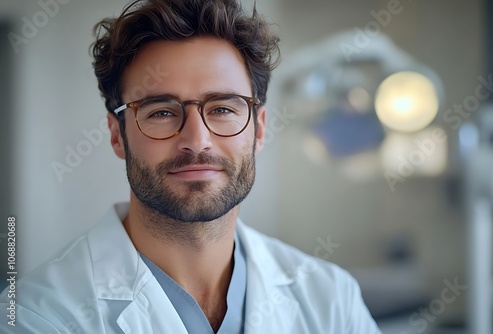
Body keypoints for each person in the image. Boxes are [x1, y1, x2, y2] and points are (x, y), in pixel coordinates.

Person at [0, 0, 381, 333]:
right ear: (118, 135)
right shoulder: (37, 317)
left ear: (259, 130)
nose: (196, 140)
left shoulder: (332, 300)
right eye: (162, 112)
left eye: (222, 109)